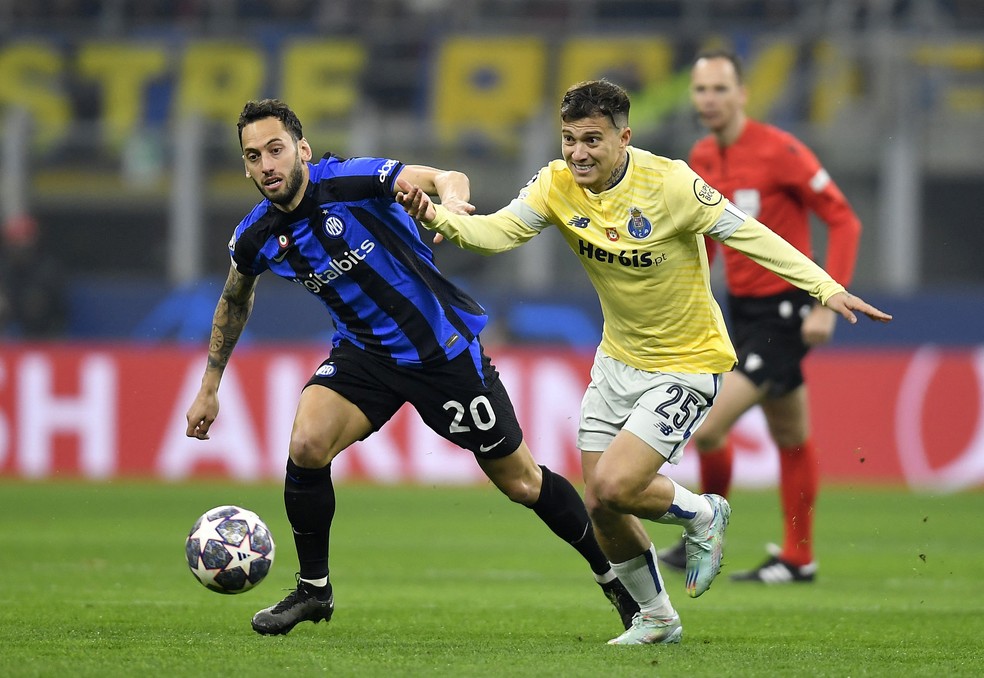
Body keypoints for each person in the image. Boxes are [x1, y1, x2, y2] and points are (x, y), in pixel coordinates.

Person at [396, 79, 891, 645]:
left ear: (624, 137)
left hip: (686, 361)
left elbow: (751, 235)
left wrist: (825, 289)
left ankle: (704, 514)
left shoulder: (671, 183)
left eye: (592, 140)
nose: (577, 153)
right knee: (600, 505)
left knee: (617, 484)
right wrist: (435, 217)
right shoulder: (557, 184)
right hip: (617, 363)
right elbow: (495, 234)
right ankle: (657, 616)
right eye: (568, 139)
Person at [184, 99, 639, 637]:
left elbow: (446, 175)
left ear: (302, 150)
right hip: (364, 356)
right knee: (307, 445)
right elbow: (234, 300)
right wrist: (210, 385)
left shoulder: (349, 181)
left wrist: (450, 202)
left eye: (276, 150)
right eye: (253, 155)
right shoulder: (255, 236)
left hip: (441, 354)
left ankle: (616, 581)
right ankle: (314, 590)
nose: (267, 165)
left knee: (522, 483)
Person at [655, 49, 863, 584]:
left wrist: (827, 300)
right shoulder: (701, 155)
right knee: (791, 433)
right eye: (700, 90)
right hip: (742, 311)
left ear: (743, 94)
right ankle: (799, 559)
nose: (709, 100)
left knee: (709, 426)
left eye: (721, 89)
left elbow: (843, 220)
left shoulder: (781, 151)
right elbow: (710, 240)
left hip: (789, 310)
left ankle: (702, 530)